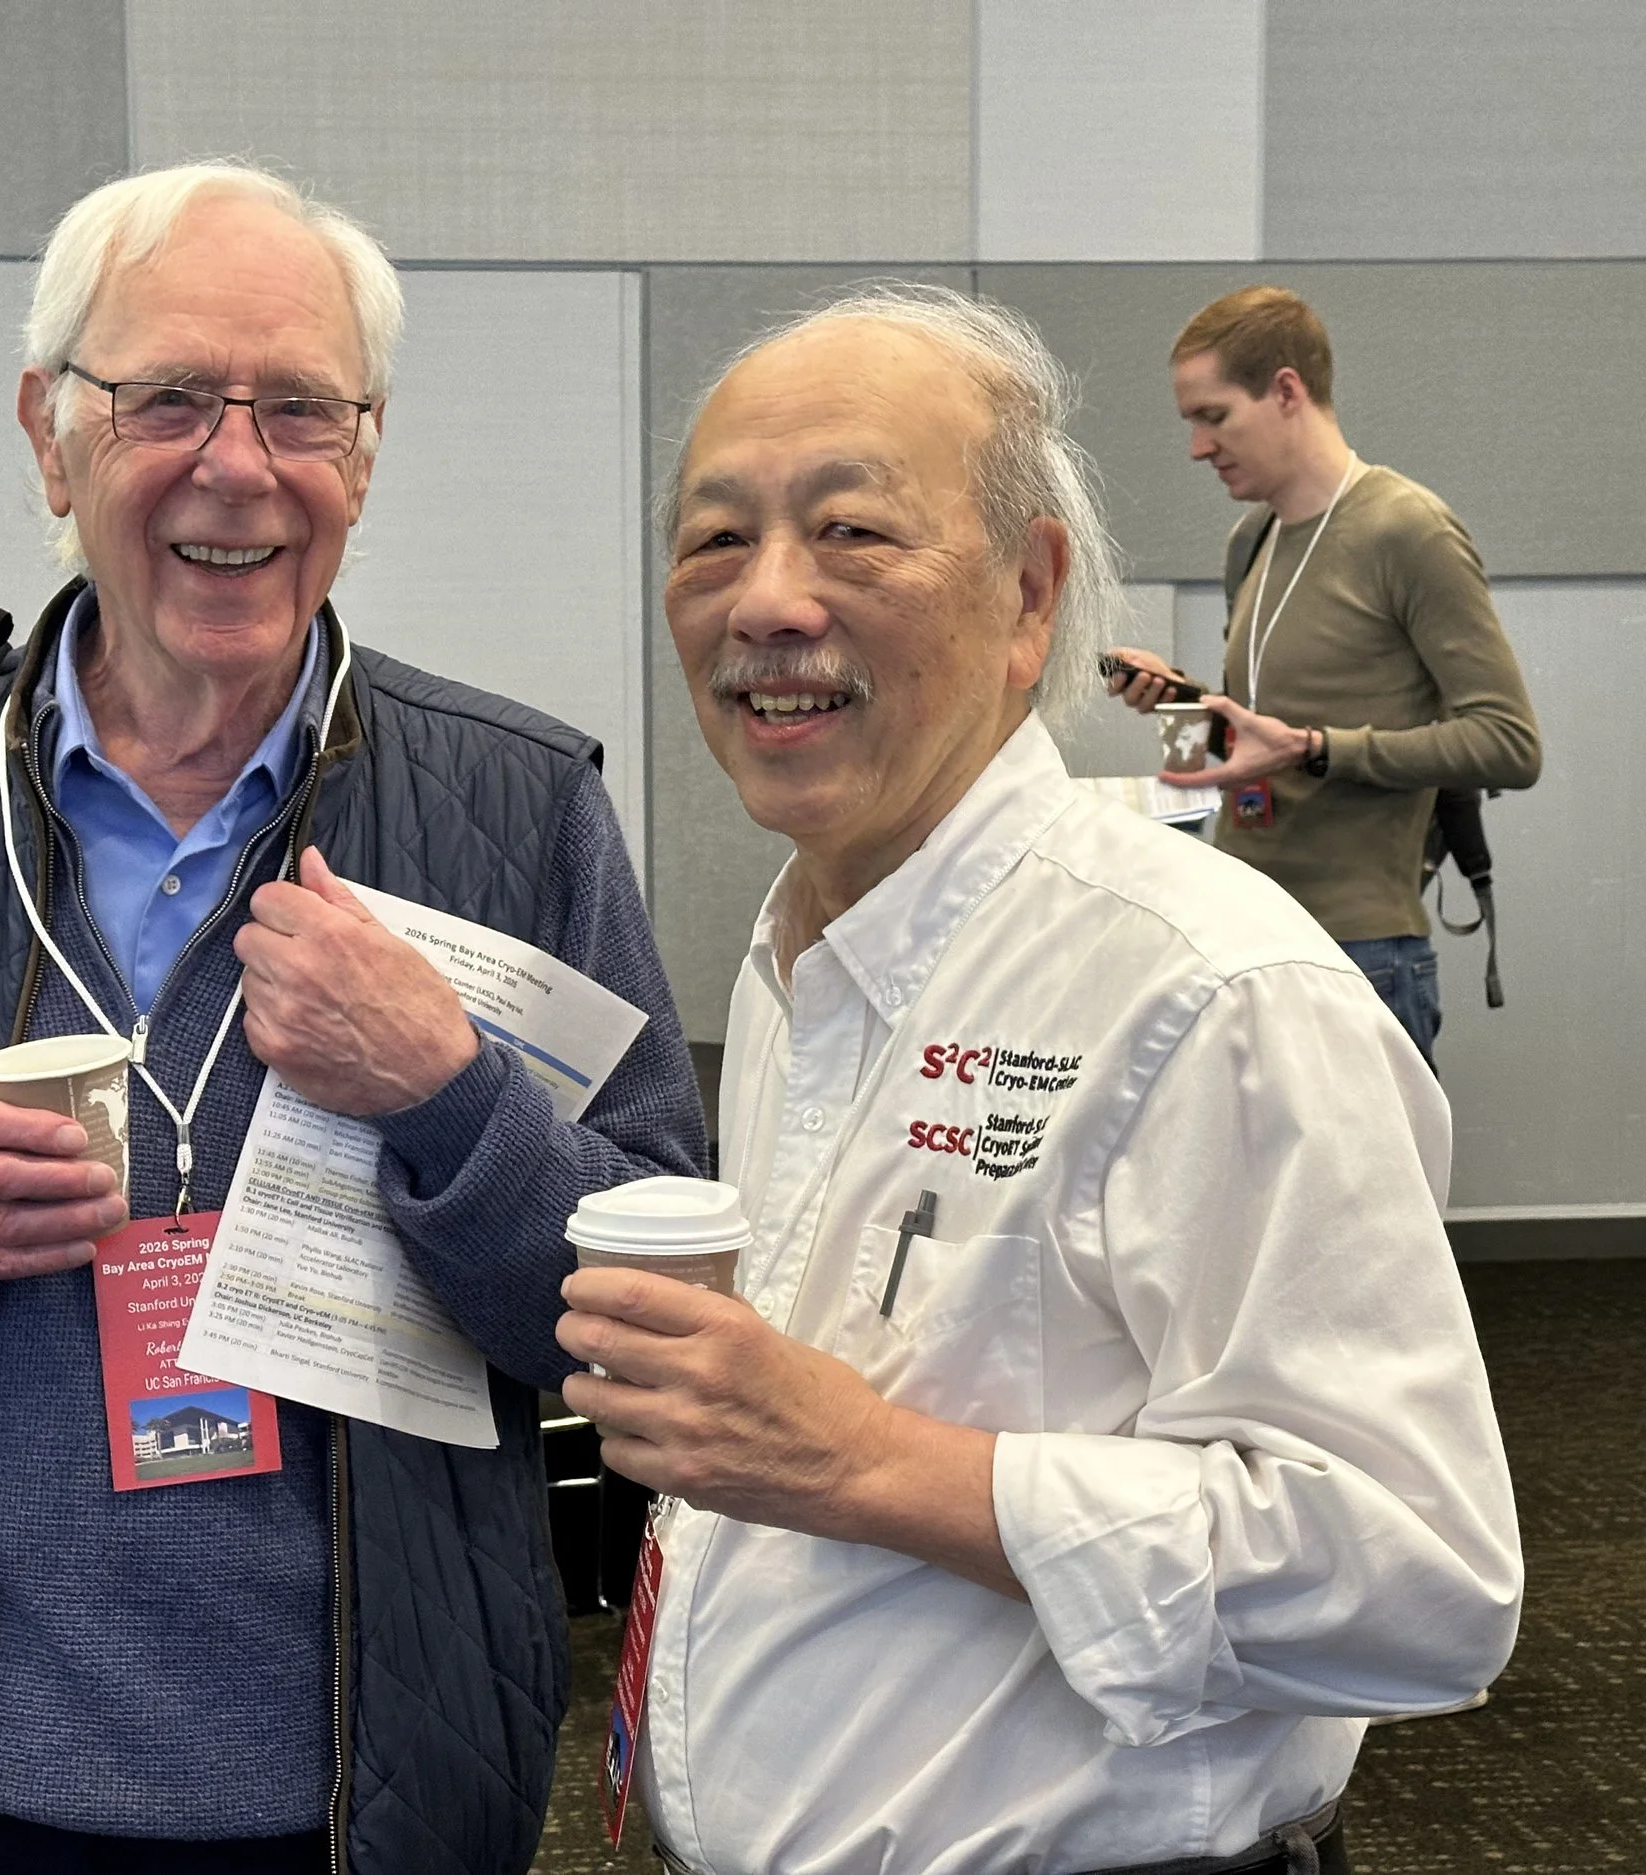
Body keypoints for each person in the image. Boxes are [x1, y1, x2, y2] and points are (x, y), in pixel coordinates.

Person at [0, 162, 706, 1875]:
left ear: (369, 448)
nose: (236, 465)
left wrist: (450, 1097)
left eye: (301, 409)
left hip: (378, 1789)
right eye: (167, 397)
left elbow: (641, 1325)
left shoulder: (516, 806)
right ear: (50, 432)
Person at [558, 287, 1522, 1874]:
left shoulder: (1209, 991)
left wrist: (873, 1463)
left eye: (855, 530)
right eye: (715, 540)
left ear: (1028, 595)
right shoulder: (802, 942)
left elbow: (1419, 1583)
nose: (767, 601)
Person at [1105, 286, 1541, 1067]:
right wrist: (1181, 700)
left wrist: (1315, 747)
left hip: (1359, 953)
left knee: (1364, 1196)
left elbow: (1509, 743)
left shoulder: (1407, 530)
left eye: (1214, 416)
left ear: (1285, 391)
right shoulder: (1252, 540)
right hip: (1243, 934)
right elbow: (1265, 737)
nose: (1197, 448)